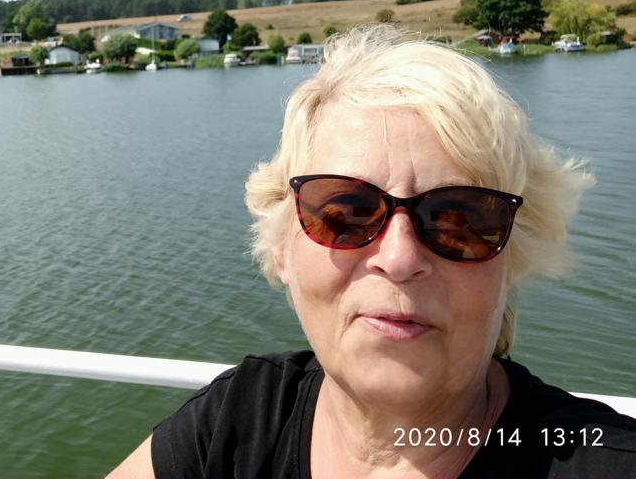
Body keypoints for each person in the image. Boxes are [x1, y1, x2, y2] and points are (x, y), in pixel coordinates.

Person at [108, 25, 636, 478]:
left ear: (511, 261)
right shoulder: (233, 424)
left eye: (460, 221)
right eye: (344, 214)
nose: (400, 259)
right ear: (282, 251)